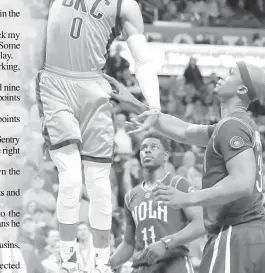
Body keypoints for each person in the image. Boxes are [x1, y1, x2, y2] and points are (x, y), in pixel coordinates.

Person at [36, 0, 161, 273]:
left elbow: (143, 60)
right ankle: (67, 256)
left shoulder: (125, 5)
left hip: (93, 87)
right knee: (71, 177)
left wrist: (153, 104)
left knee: (99, 182)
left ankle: (104, 262)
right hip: (56, 84)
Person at [105, 61, 265, 273]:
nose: (221, 76)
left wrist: (188, 198)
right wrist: (135, 104)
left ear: (242, 89)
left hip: (237, 234)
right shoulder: (233, 125)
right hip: (249, 234)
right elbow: (184, 131)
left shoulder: (232, 125)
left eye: (231, 73)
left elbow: (243, 183)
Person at [109, 136, 204, 273]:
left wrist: (167, 243)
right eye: (144, 148)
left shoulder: (177, 183)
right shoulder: (130, 196)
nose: (147, 151)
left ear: (165, 155)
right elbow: (129, 244)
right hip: (143, 267)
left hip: (174, 264)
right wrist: (105, 266)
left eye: (154, 147)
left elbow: (201, 222)